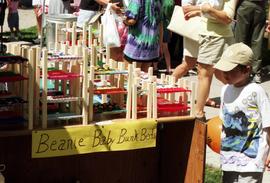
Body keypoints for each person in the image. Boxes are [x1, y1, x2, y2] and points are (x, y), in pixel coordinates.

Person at [213, 42, 270, 183]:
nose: (225, 74)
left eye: (230, 70)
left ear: (246, 69)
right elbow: (223, 121)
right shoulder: (225, 89)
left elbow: (268, 125)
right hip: (229, 158)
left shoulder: (256, 91)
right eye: (224, 69)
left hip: (252, 161)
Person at [182, 0, 237, 121]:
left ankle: (198, 114)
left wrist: (208, 10)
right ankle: (242, 98)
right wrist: (199, 12)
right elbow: (209, 12)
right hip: (209, 36)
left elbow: (228, 18)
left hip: (215, 37)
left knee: (204, 74)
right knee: (219, 74)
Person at [123, 0, 162, 72]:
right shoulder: (158, 1)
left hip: (136, 46)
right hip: (152, 47)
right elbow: (160, 25)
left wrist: (123, 18)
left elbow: (131, 21)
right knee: (143, 79)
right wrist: (160, 46)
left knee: (129, 77)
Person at [233, 0, 267, 83]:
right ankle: (255, 73)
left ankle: (239, 70)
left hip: (246, 4)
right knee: (257, 41)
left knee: (240, 39)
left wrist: (233, 10)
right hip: (261, 7)